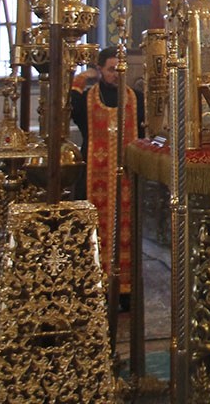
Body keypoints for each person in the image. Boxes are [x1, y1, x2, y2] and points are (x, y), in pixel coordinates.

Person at [69, 46, 145, 298]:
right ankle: (93, 289)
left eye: (120, 69)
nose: (116, 74)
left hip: (128, 180)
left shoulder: (137, 99)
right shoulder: (87, 99)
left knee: (128, 234)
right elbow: (69, 104)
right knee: (91, 231)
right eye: (111, 69)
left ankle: (125, 292)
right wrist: (82, 77)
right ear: (100, 69)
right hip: (93, 176)